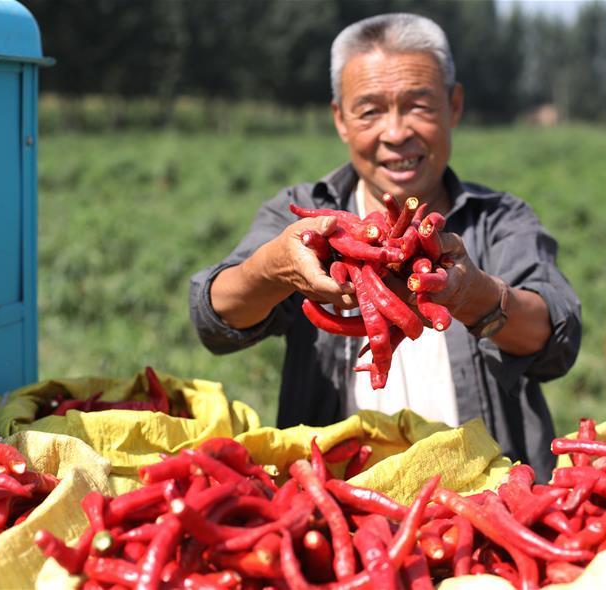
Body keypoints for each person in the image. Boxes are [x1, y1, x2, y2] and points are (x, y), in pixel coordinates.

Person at [189, 13, 581, 481]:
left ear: (454, 106)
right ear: (340, 119)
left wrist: (473, 295)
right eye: (370, 111)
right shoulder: (303, 217)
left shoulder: (499, 219)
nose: (396, 133)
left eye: (419, 106)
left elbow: (556, 339)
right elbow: (213, 318)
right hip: (342, 493)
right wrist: (272, 270)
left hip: (489, 494)